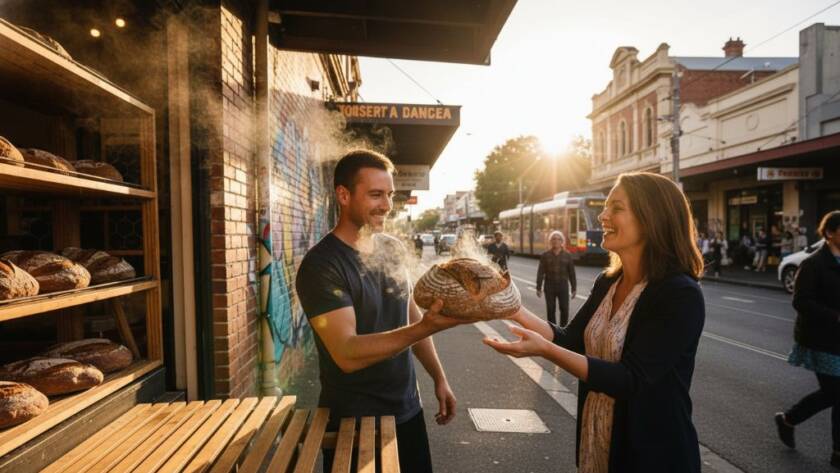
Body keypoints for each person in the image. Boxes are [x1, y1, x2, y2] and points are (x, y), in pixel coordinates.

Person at [484, 172, 706, 472]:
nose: (603, 215)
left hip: (651, 455)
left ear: (652, 218)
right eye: (605, 207)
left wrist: (543, 351)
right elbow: (570, 339)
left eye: (616, 208)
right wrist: (509, 308)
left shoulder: (680, 293)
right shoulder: (608, 282)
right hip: (597, 444)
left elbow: (631, 379)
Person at [295, 149, 466, 473]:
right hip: (353, 422)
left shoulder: (392, 248)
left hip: (407, 409)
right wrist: (426, 327)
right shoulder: (322, 266)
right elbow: (346, 353)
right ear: (343, 195)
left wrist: (439, 378)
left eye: (389, 194)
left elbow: (411, 316)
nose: (386, 205)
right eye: (375, 194)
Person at [775, 210, 840, 469]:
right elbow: (801, 301)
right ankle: (835, 450)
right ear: (830, 233)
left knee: (835, 393)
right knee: (836, 392)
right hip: (821, 339)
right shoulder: (813, 264)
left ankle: (789, 420)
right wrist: (835, 316)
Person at [536, 231, 577, 326]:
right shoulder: (545, 255)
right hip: (549, 286)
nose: (556, 241)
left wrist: (574, 288)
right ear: (550, 241)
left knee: (564, 309)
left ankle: (563, 330)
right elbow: (540, 272)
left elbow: (572, 273)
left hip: (563, 286)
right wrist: (538, 287)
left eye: (558, 239)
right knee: (550, 309)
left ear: (562, 241)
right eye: (553, 239)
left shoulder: (568, 255)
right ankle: (553, 330)